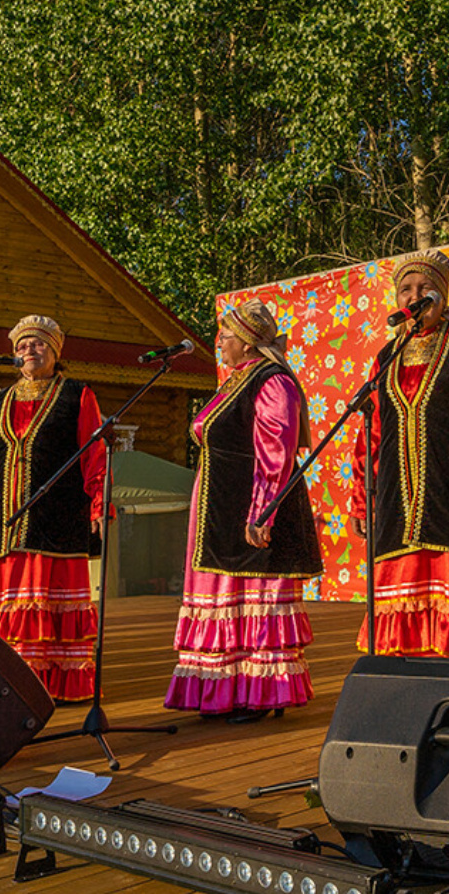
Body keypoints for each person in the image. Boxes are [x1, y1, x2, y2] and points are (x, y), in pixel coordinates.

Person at [165, 300, 322, 723]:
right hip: (219, 507)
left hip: (249, 507)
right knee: (222, 595)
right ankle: (224, 688)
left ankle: (262, 693)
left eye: (226, 337)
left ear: (249, 342)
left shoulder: (271, 382)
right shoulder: (235, 381)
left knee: (254, 593)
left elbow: (277, 450)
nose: (220, 344)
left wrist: (263, 511)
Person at [347, 249, 449, 656]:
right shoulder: (386, 357)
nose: (414, 297)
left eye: (425, 288)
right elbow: (372, 434)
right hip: (397, 505)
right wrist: (363, 501)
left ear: (443, 296)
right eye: (406, 290)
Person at [0, 316, 100, 702]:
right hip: (3, 522)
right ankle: (7, 683)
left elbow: (93, 452)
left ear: (55, 352)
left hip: (56, 517)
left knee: (49, 598)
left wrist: (98, 503)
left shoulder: (76, 394)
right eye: (22, 346)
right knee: (4, 607)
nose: (28, 351)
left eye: (38, 345)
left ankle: (55, 685)